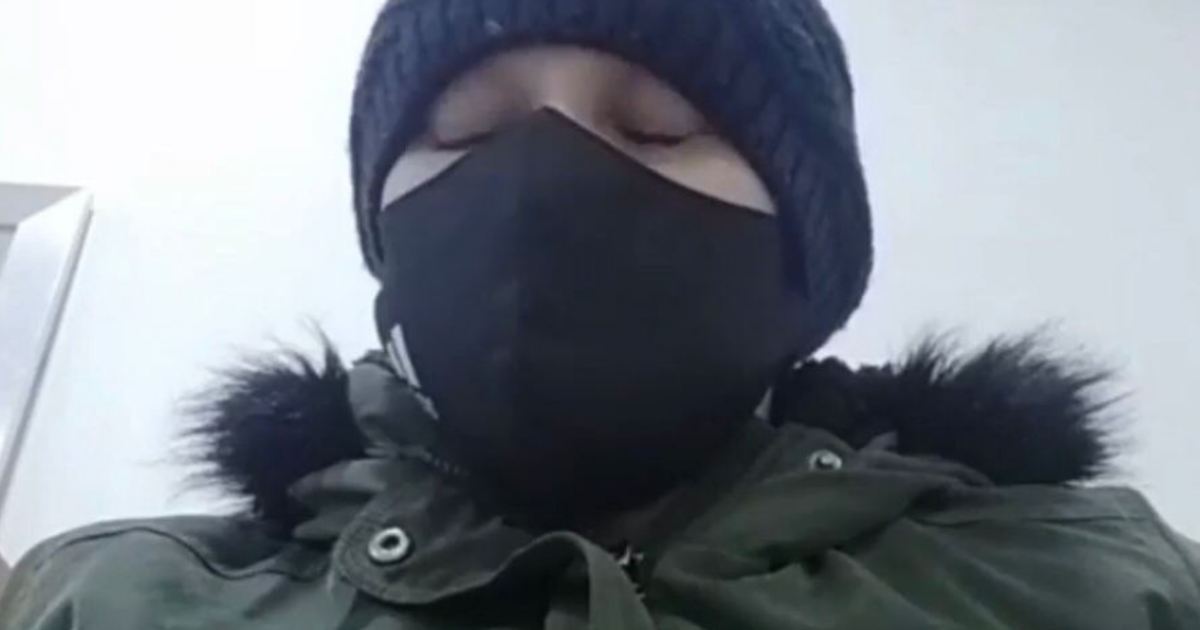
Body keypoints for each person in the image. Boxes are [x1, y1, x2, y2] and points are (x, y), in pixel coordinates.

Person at [2, 1, 1198, 628]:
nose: (544, 182)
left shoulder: (1098, 593)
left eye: (660, 130)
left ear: (806, 260)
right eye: (467, 133)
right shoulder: (105, 603)